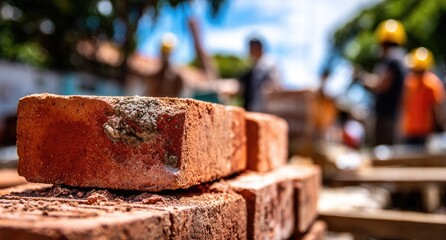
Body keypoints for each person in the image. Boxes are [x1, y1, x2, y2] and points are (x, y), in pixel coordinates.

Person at [359, 19, 407, 145]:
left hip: (386, 117)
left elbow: (381, 84)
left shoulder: (392, 60)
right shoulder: (399, 59)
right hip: (394, 115)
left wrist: (362, 78)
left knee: (383, 153)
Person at [401, 47, 445, 145]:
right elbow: (404, 105)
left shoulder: (432, 84)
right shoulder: (409, 82)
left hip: (427, 131)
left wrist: (440, 128)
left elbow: (438, 109)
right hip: (410, 130)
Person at [240, 37, 280, 112]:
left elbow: (273, 86)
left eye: (251, 49)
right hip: (256, 108)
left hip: (266, 108)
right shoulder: (256, 65)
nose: (249, 52)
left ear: (258, 48)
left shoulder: (268, 63)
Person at [145, 33, 184, 97]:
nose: (166, 56)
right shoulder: (153, 78)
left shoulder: (178, 79)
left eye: (167, 53)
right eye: (164, 53)